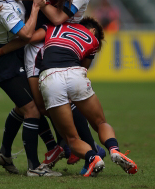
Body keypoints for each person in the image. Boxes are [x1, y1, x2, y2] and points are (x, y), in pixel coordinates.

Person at [0, 0, 108, 169]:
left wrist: (36, 2)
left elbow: (57, 17)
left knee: (43, 104)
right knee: (31, 104)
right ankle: (59, 146)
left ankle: (83, 147)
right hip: (44, 40)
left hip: (51, 42)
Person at [35, 16, 138, 177]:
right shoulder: (93, 40)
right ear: (93, 30)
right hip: (75, 73)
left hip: (50, 77)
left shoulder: (54, 27)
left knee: (71, 138)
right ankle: (114, 150)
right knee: (100, 122)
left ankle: (93, 157)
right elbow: (85, 66)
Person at [0, 0, 62, 177]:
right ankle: (34, 167)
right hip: (8, 64)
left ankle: (4, 153)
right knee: (32, 111)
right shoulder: (3, 8)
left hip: (16, 57)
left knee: (23, 109)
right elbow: (27, 35)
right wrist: (37, 8)